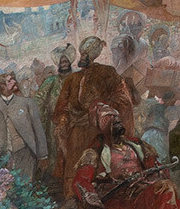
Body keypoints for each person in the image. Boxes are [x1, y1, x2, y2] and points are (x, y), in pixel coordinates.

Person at [52, 36, 135, 187]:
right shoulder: (72, 78)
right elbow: (63, 103)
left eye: (86, 55)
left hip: (97, 128)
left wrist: (99, 110)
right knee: (73, 161)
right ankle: (71, 198)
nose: (82, 57)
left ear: (93, 56)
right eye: (82, 54)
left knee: (96, 163)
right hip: (75, 129)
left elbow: (122, 97)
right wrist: (63, 119)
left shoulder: (107, 73)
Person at [0, 71, 48, 179]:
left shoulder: (27, 103)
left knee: (26, 186)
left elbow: (38, 129)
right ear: (2, 86)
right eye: (9, 81)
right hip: (5, 157)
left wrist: (43, 155)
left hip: (26, 152)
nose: (14, 81)